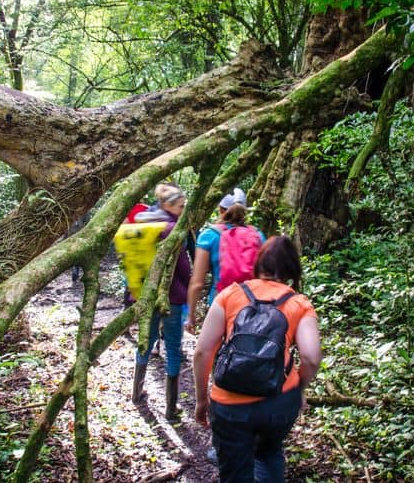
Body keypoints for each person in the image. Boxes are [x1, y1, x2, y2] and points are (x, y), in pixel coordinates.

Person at [192, 236, 322, 482]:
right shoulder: (299, 303)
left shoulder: (230, 294)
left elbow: (202, 351)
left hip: (229, 403)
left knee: (234, 470)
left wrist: (201, 399)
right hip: (278, 402)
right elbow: (311, 357)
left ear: (258, 263)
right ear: (292, 269)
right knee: (269, 453)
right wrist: (299, 390)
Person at [130, 183, 191, 421]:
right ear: (167, 204)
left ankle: (137, 392)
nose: (183, 209)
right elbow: (184, 268)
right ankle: (170, 407)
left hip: (146, 296)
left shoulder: (143, 223)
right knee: (173, 347)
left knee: (146, 339)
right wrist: (188, 288)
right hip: (172, 297)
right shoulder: (172, 229)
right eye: (180, 206)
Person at [185, 187, 263, 333]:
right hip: (253, 303)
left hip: (221, 303)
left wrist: (190, 316)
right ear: (245, 209)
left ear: (220, 209)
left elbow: (197, 283)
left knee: (217, 351)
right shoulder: (258, 235)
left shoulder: (209, 235)